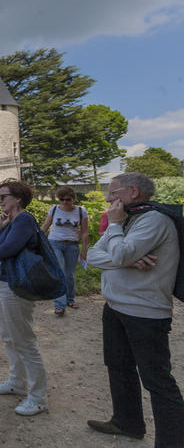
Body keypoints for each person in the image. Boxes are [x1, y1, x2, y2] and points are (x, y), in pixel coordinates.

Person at [86, 173, 184, 446]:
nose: (108, 198)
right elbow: (93, 255)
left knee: (157, 380)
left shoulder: (154, 220)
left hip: (145, 313)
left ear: (132, 191)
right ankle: (127, 422)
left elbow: (117, 253)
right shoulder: (129, 220)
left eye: (112, 192)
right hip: (116, 306)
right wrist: (128, 260)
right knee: (118, 366)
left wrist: (119, 242)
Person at [0, 179, 49, 416]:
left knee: (24, 340)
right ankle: (17, 382)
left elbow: (4, 251)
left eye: (3, 196)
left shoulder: (24, 220)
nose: (0, 200)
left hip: (16, 286)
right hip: (4, 283)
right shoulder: (10, 222)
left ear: (18, 199)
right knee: (9, 336)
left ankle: (38, 397)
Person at [40, 185, 89, 316]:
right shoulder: (54, 209)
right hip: (55, 243)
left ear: (73, 198)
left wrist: (84, 250)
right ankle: (59, 305)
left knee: (70, 274)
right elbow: (45, 226)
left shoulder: (81, 211)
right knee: (59, 272)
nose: (65, 202)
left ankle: (70, 299)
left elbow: (85, 233)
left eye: (68, 199)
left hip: (72, 245)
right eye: (61, 199)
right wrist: (35, 239)